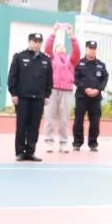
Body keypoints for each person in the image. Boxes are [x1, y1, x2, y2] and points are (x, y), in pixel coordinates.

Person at [7, 32, 53, 161]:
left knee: (34, 126)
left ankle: (30, 151)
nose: (37, 44)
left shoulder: (46, 59)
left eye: (39, 42)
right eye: (34, 41)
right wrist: (13, 93)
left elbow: (49, 80)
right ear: (29, 42)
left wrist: (47, 95)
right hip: (23, 98)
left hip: (38, 98)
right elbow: (12, 77)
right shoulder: (19, 56)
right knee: (21, 126)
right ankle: (20, 152)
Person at [43, 25, 80, 153]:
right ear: (55, 50)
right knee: (50, 117)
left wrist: (71, 35)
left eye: (63, 46)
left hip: (66, 91)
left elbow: (77, 51)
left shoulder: (71, 60)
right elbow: (47, 48)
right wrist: (54, 32)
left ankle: (63, 143)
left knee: (64, 119)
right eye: (58, 46)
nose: (61, 47)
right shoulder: (51, 58)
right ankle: (49, 141)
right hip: (53, 90)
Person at [72, 39, 109, 152]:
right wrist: (85, 88)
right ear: (86, 49)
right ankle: (77, 143)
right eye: (90, 48)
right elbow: (75, 78)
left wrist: (98, 89)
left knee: (95, 122)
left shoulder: (101, 65)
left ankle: (93, 143)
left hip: (95, 98)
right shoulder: (79, 63)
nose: (92, 51)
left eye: (94, 49)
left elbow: (105, 79)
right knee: (78, 121)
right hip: (81, 97)